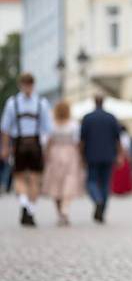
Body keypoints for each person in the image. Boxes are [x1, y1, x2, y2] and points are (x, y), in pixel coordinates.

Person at [0, 73, 51, 226]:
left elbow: (5, 129)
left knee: (21, 178)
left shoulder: (12, 103)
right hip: (35, 144)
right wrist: (46, 150)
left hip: (20, 143)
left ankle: (25, 205)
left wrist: (5, 147)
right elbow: (47, 130)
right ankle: (30, 209)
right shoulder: (41, 103)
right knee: (33, 179)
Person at [80, 94, 122, 223]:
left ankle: (97, 200)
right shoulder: (111, 118)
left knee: (91, 182)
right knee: (105, 183)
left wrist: (81, 156)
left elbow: (82, 140)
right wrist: (119, 155)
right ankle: (102, 210)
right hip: (109, 155)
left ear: (94, 102)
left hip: (91, 155)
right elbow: (117, 140)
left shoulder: (87, 118)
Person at [42, 100, 84, 225]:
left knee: (56, 183)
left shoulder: (51, 124)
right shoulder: (73, 125)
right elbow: (77, 142)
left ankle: (60, 211)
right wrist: (81, 157)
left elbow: (48, 142)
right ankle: (65, 209)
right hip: (70, 153)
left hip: (55, 153)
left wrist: (46, 155)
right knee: (69, 181)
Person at [111, 125, 132, 195]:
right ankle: (124, 189)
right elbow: (126, 149)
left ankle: (118, 189)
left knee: (118, 174)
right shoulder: (126, 137)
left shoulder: (118, 136)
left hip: (119, 155)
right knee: (124, 173)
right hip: (124, 156)